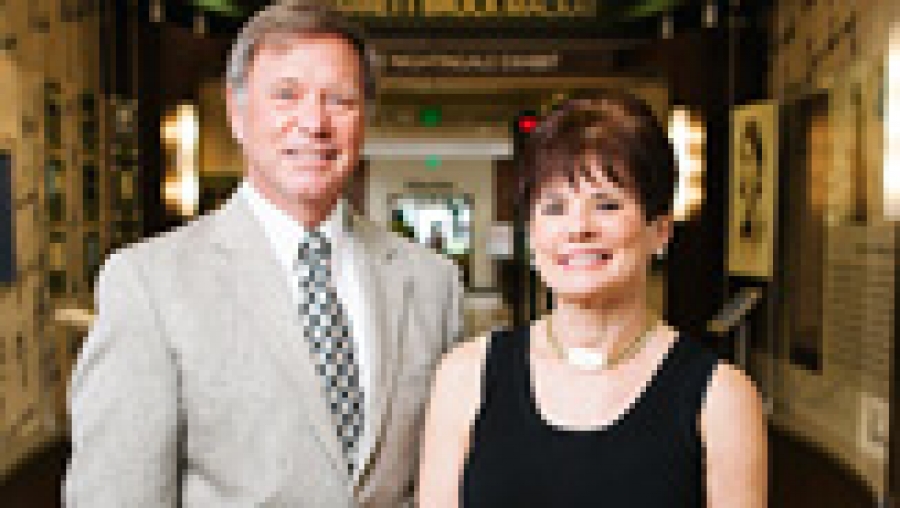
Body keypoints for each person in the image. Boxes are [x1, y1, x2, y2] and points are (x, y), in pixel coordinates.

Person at [64, 1, 463, 506]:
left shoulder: (432, 284)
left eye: (339, 99)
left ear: (364, 118)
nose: (313, 122)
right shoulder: (149, 286)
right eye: (286, 94)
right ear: (237, 114)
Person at [418, 91, 767, 507]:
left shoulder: (721, 398)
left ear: (660, 230)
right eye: (554, 207)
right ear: (531, 233)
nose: (578, 228)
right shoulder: (465, 377)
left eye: (607, 204)